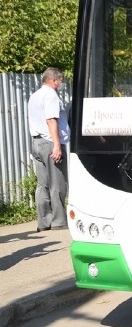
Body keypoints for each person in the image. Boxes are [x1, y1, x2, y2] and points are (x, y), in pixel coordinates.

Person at [27, 67, 70, 232]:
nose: (61, 84)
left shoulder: (34, 96)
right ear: (54, 80)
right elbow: (51, 120)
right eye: (60, 81)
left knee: (42, 184)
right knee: (57, 182)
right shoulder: (51, 95)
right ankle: (59, 221)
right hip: (50, 142)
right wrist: (57, 145)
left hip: (36, 143)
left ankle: (43, 222)